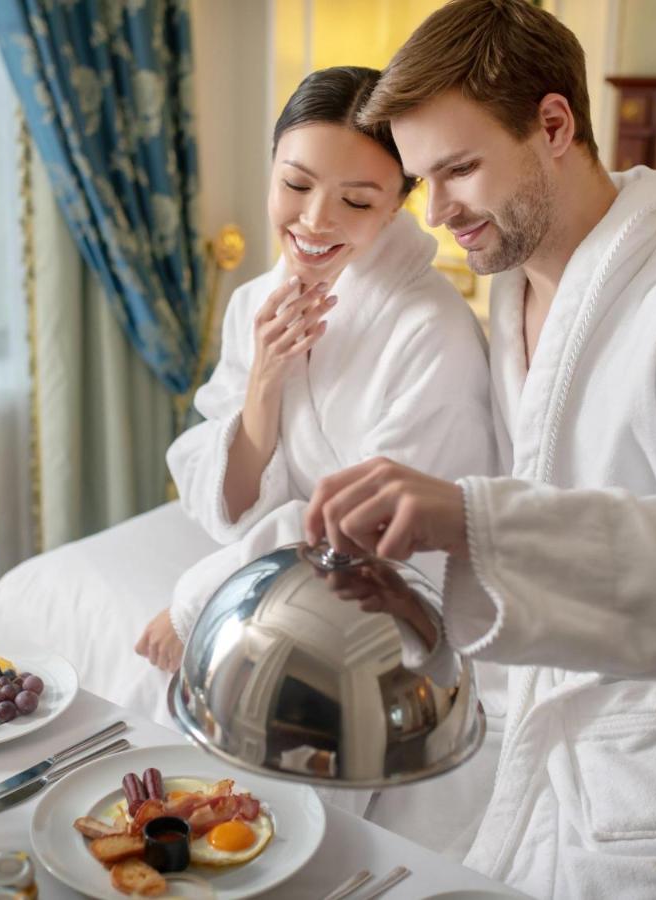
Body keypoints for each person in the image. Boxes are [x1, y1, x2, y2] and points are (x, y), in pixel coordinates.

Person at [303, 1, 656, 897]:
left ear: (554, 125)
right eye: (423, 179)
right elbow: (545, 500)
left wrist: (475, 520)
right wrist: (420, 581)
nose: (437, 213)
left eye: (460, 169)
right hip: (529, 702)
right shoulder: (514, 288)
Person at [135, 66, 495, 673]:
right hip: (284, 578)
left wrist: (197, 602)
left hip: (392, 597)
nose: (316, 220)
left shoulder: (434, 332)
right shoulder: (257, 302)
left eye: (357, 200)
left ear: (396, 205)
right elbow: (230, 504)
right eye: (296, 184)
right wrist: (265, 378)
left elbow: (377, 525)